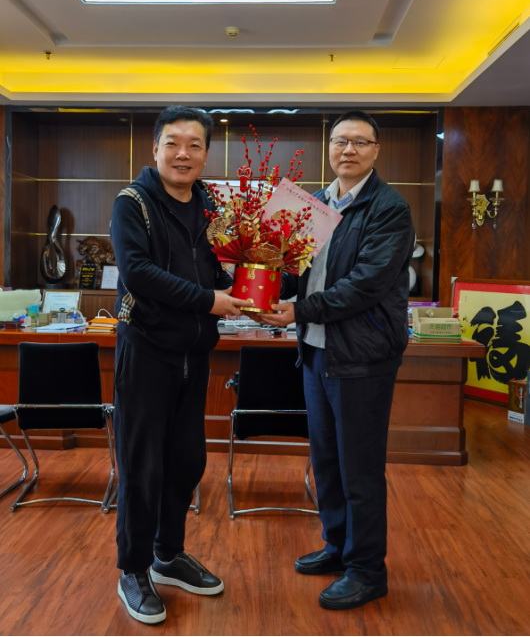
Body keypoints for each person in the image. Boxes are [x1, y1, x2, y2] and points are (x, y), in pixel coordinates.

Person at [257, 110, 415, 610]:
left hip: (362, 357)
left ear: (376, 151)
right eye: (341, 140)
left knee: (359, 469)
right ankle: (338, 546)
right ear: (329, 148)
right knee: (326, 461)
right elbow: (295, 272)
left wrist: (299, 310)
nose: (349, 149)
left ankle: (367, 570)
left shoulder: (389, 208)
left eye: (360, 142)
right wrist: (261, 279)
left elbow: (365, 284)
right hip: (316, 351)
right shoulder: (314, 203)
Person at [110, 105, 249, 624]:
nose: (183, 154)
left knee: (188, 461)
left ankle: (168, 555)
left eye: (194, 145)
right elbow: (138, 273)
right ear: (155, 149)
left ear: (206, 154)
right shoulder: (133, 203)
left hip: (195, 354)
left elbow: (224, 268)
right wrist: (210, 300)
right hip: (146, 351)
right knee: (142, 465)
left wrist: (259, 280)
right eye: (173, 143)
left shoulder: (211, 206)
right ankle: (133, 568)